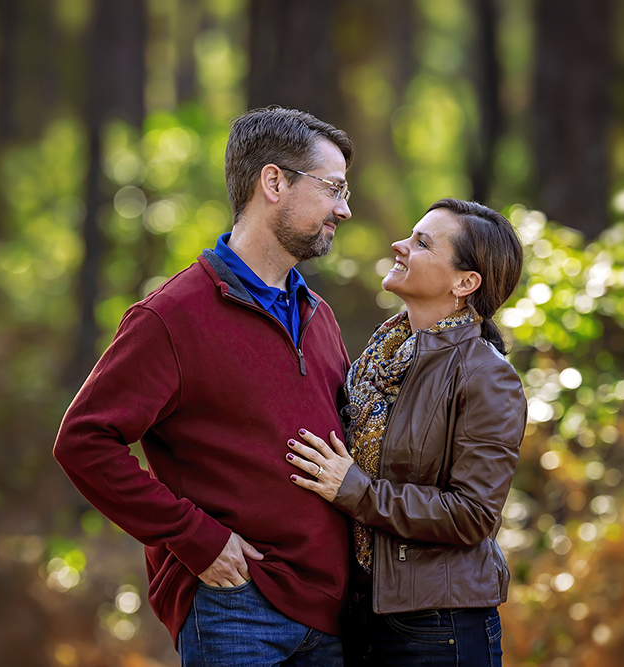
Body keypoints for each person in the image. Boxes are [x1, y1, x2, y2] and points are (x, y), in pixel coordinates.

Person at [53, 106, 354, 666]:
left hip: (332, 615)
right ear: (274, 181)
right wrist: (196, 538)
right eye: (333, 188)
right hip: (236, 611)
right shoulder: (171, 317)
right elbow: (84, 442)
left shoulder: (320, 316)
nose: (345, 207)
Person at [285, 198, 527, 667]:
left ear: (465, 282)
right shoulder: (381, 359)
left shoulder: (485, 375)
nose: (399, 244)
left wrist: (354, 489)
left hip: (440, 624)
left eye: (421, 243)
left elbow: (473, 515)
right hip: (362, 613)